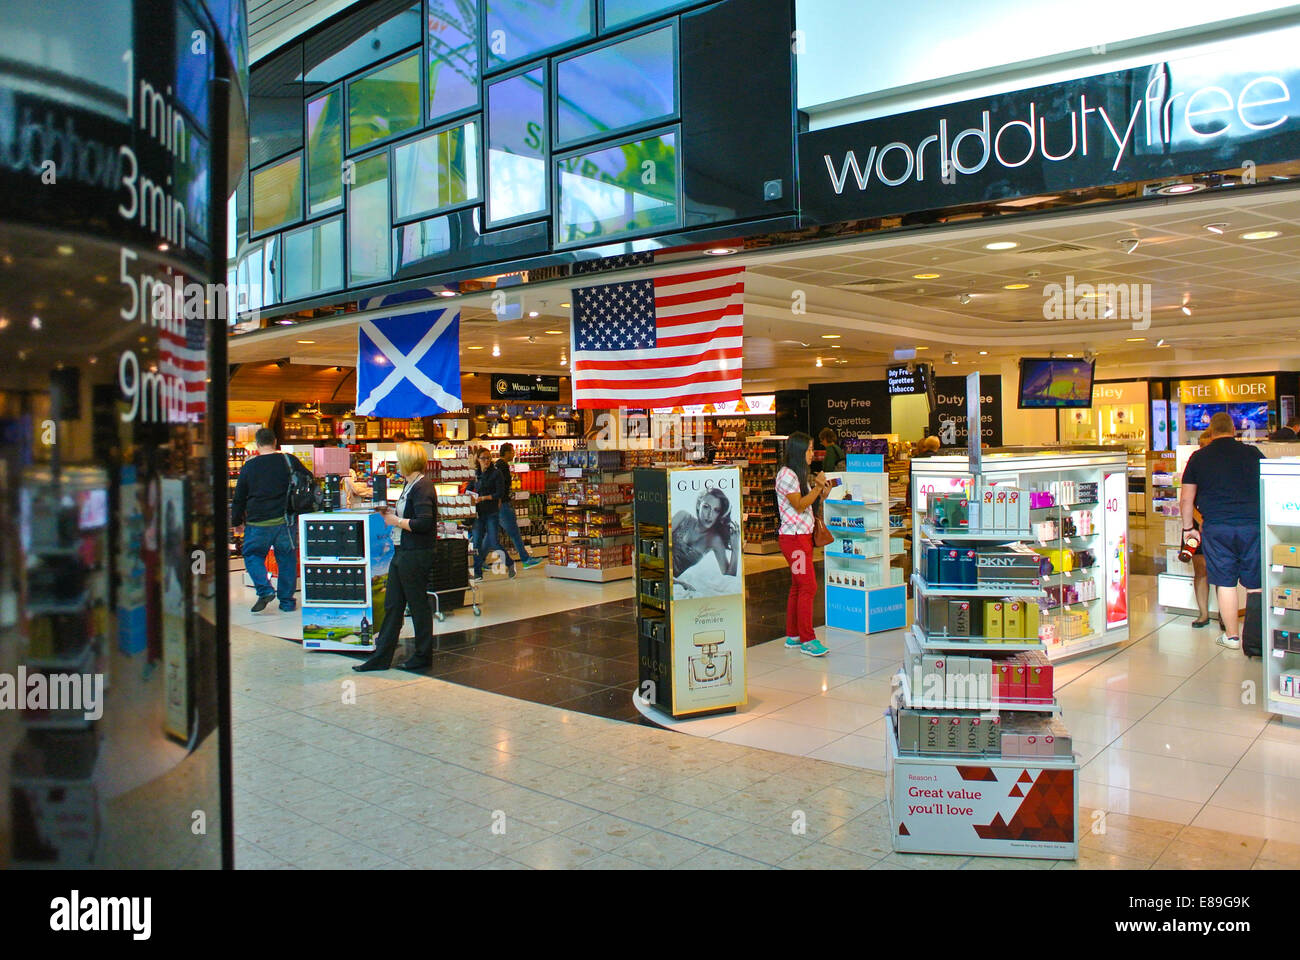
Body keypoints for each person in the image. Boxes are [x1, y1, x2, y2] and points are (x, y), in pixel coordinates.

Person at [1179, 412, 1266, 653]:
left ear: (1211, 432)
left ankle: (1232, 637)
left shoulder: (1198, 458)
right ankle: (1256, 641)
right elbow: (1268, 486)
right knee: (1255, 584)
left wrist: (1189, 530)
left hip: (1216, 528)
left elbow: (1186, 499)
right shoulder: (1253, 454)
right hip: (1253, 526)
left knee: (1226, 582)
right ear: (1233, 429)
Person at [354, 441, 438, 671]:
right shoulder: (410, 485)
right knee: (393, 604)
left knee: (417, 605)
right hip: (404, 552)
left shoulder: (422, 487)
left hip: (415, 553)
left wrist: (395, 521)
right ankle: (381, 657)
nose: (397, 464)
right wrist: (391, 514)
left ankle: (422, 656)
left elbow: (424, 522)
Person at [231, 428, 314, 613]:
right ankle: (287, 602)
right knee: (286, 559)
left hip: (257, 522)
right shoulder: (288, 460)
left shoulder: (249, 466)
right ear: (275, 441)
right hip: (285, 521)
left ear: (257, 444)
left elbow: (239, 497)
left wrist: (236, 521)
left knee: (253, 556)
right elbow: (309, 478)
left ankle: (265, 589)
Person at [775, 431, 831, 657]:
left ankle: (794, 635)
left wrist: (821, 493)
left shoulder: (798, 474)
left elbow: (805, 505)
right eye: (808, 449)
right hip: (794, 539)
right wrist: (817, 488)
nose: (812, 453)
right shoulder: (787, 475)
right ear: (799, 451)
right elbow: (798, 505)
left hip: (802, 537)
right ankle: (808, 639)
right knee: (808, 586)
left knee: (799, 586)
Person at [671, 487, 741, 597]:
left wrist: (736, 549)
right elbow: (661, 541)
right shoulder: (682, 516)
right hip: (660, 570)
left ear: (720, 514)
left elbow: (729, 577)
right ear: (699, 505)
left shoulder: (714, 540)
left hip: (674, 581)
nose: (709, 515)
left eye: (716, 510)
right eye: (706, 507)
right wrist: (679, 582)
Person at [493, 442, 542, 570]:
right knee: (514, 532)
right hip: (503, 504)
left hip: (498, 504)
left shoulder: (498, 465)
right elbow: (502, 486)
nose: (514, 454)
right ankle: (525, 559)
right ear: (507, 453)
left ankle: (479, 560)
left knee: (491, 536)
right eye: (512, 451)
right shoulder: (502, 466)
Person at [1187, 429, 1218, 629]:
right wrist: (1199, 521)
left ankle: (1225, 614)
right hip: (1198, 527)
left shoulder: (1219, 466)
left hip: (1215, 523)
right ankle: (1203, 614)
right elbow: (1187, 498)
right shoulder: (1196, 463)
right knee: (1200, 570)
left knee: (1221, 570)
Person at [470, 447, 514, 582]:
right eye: (483, 458)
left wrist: (484, 498)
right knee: (476, 543)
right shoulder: (475, 474)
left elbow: (499, 493)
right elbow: (469, 488)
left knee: (494, 542)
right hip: (478, 513)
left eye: (488, 458)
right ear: (478, 459)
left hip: (492, 512)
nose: (486, 461)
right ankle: (477, 573)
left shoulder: (496, 473)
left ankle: (509, 563)